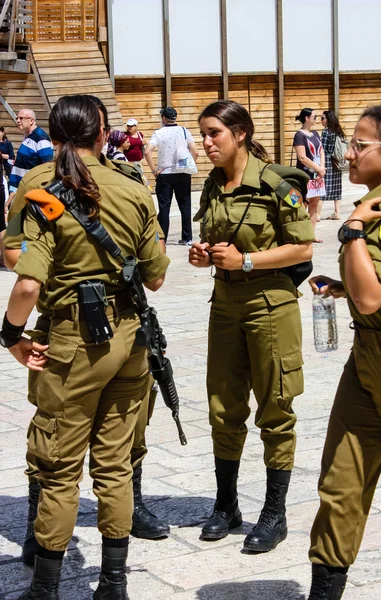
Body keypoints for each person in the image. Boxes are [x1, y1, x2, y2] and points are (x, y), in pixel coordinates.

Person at [0, 94, 170, 599]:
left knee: (59, 467)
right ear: (103, 134)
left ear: (53, 136)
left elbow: (26, 281)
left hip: (73, 341)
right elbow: (157, 277)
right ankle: (113, 583)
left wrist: (9, 335)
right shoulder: (135, 189)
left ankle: (46, 587)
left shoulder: (37, 186)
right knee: (115, 465)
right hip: (130, 341)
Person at [189, 100, 314, 553]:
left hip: (270, 305)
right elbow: (213, 239)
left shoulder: (278, 184)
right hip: (224, 304)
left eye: (214, 134)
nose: (206, 143)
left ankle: (274, 512)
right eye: (203, 134)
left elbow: (301, 248)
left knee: (275, 409)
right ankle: (226, 505)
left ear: (240, 133)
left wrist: (245, 260)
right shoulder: (213, 185)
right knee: (223, 407)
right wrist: (204, 254)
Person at [307, 102, 381, 599]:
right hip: (368, 353)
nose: (348, 152)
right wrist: (341, 287)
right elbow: (369, 290)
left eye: (361, 145)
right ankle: (325, 590)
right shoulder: (376, 202)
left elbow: (373, 296)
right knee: (342, 479)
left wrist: (352, 232)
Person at [145, 106, 198, 245]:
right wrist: (189, 164)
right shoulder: (184, 131)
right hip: (182, 172)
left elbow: (147, 151)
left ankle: (163, 238)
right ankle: (187, 238)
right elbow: (195, 152)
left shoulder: (159, 133)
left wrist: (154, 170)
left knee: (164, 208)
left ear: (163, 118)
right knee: (185, 205)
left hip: (165, 173)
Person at [7, 109, 53, 206]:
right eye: (17, 118)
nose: (18, 121)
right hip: (19, 190)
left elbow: (47, 167)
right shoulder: (28, 137)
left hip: (29, 193)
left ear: (32, 121)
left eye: (21, 118)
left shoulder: (40, 138)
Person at [293, 108, 326, 241]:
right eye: (314, 116)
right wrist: (318, 168)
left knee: (314, 204)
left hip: (317, 175)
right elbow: (302, 157)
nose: (316, 119)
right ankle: (300, 234)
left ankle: (311, 234)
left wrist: (322, 168)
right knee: (303, 204)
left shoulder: (316, 134)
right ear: (307, 118)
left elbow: (321, 151)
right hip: (305, 174)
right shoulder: (299, 136)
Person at [321, 110, 346, 220]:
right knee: (337, 187)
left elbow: (323, 149)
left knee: (323, 187)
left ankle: (317, 215)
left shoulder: (326, 132)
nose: (321, 120)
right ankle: (337, 213)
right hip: (337, 162)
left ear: (328, 120)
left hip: (327, 161)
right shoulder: (338, 131)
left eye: (322, 118)